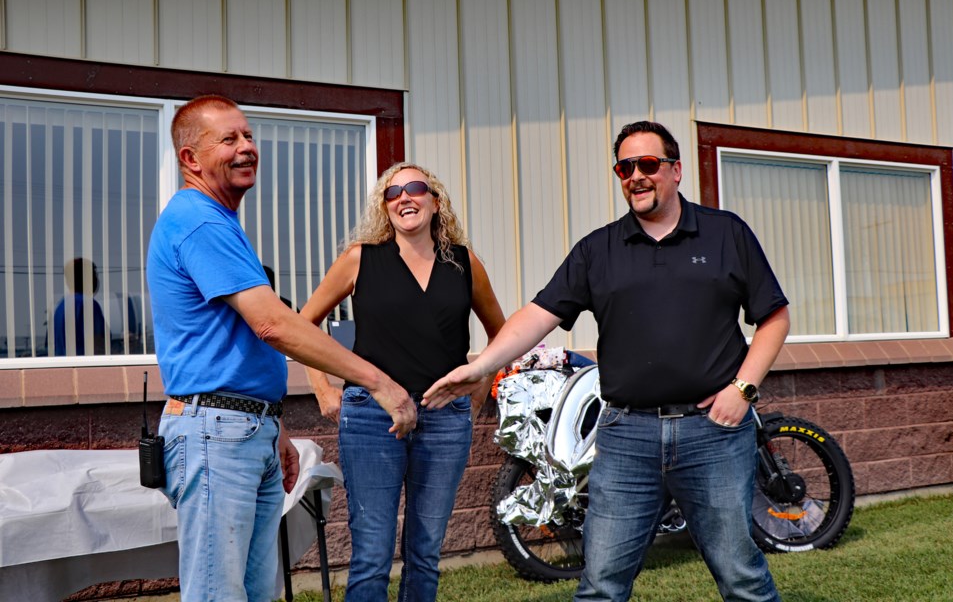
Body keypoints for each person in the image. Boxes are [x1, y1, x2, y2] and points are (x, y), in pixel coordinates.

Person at [424, 121, 790, 602]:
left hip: (713, 434)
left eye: (648, 164)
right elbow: (538, 315)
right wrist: (481, 365)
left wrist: (742, 390)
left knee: (740, 575)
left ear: (676, 170)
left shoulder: (726, 234)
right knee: (600, 585)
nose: (636, 176)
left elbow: (774, 317)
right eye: (625, 167)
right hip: (626, 436)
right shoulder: (599, 249)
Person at [146, 94, 416, 602]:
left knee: (254, 592)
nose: (247, 147)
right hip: (215, 434)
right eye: (228, 139)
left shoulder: (220, 222)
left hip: (243, 428)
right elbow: (273, 325)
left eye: (248, 135)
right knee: (217, 594)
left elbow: (240, 342)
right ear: (190, 159)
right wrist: (377, 381)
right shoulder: (200, 221)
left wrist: (277, 426)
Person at [301, 161, 505, 601]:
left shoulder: (465, 264)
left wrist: (479, 387)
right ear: (385, 206)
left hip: (445, 420)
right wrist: (323, 388)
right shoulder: (361, 259)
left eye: (415, 188)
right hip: (373, 418)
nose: (404, 198)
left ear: (435, 202)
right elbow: (303, 324)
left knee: (425, 551)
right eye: (392, 193)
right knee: (372, 554)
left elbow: (501, 336)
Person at [53, 257, 106, 356]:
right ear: (85, 277)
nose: (96, 279)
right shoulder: (88, 304)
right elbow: (98, 345)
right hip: (84, 367)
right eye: (94, 275)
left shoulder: (60, 307)